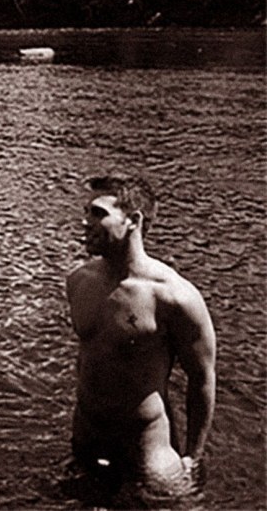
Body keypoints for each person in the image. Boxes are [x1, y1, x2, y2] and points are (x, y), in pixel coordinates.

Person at [67, 175, 215, 486]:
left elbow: (201, 378)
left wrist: (193, 457)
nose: (85, 222)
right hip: (85, 440)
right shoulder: (79, 281)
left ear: (134, 220)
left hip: (145, 452)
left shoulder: (174, 297)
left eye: (98, 213)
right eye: (86, 212)